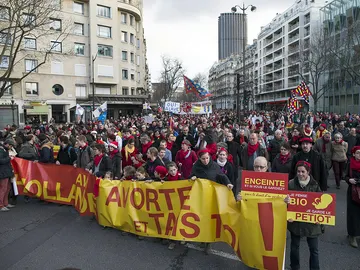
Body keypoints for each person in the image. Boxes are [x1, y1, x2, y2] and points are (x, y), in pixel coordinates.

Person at [190, 149, 233, 255]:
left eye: (207, 158)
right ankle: (202, 239)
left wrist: (228, 183)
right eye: (203, 159)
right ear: (199, 158)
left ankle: (208, 243)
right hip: (200, 197)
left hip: (211, 197)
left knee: (210, 220)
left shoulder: (214, 166)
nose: (205, 160)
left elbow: (221, 175)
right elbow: (190, 177)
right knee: (200, 218)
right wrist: (192, 177)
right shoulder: (196, 166)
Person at [288, 161, 323, 270]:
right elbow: (283, 204)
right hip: (295, 222)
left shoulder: (315, 185)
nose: (300, 174)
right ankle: (294, 267)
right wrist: (286, 202)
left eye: (303, 171)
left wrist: (320, 219)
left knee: (314, 249)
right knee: (294, 247)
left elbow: (322, 204)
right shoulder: (291, 184)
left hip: (311, 223)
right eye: (298, 171)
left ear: (308, 172)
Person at [344, 146, 360, 248]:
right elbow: (345, 176)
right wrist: (349, 180)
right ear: (354, 154)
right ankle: (352, 236)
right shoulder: (350, 164)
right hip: (353, 192)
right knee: (353, 214)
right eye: (358, 153)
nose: (359, 155)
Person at [0, 142, 15, 211]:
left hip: (7, 171)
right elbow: (1, 161)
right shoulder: (1, 151)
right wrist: (9, 158)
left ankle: (5, 203)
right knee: (3, 188)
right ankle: (1, 205)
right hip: (3, 171)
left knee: (7, 188)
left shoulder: (3, 150)